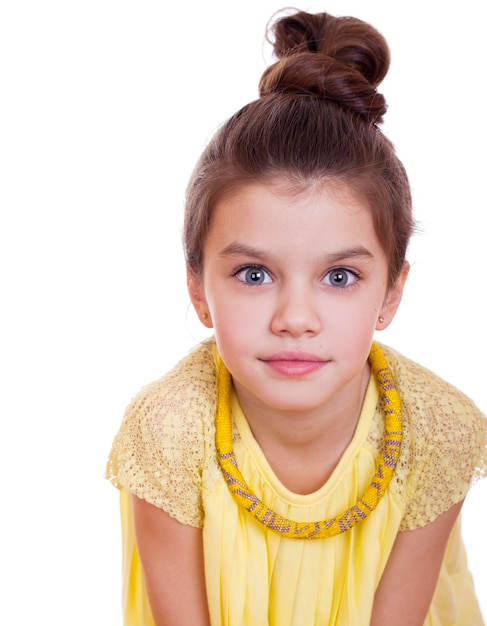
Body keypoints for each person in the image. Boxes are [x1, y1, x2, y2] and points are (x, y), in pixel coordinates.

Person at [105, 8, 487, 625]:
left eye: (340, 277)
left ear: (390, 295)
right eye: (254, 275)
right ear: (199, 290)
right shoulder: (168, 431)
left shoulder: (437, 430)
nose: (296, 318)